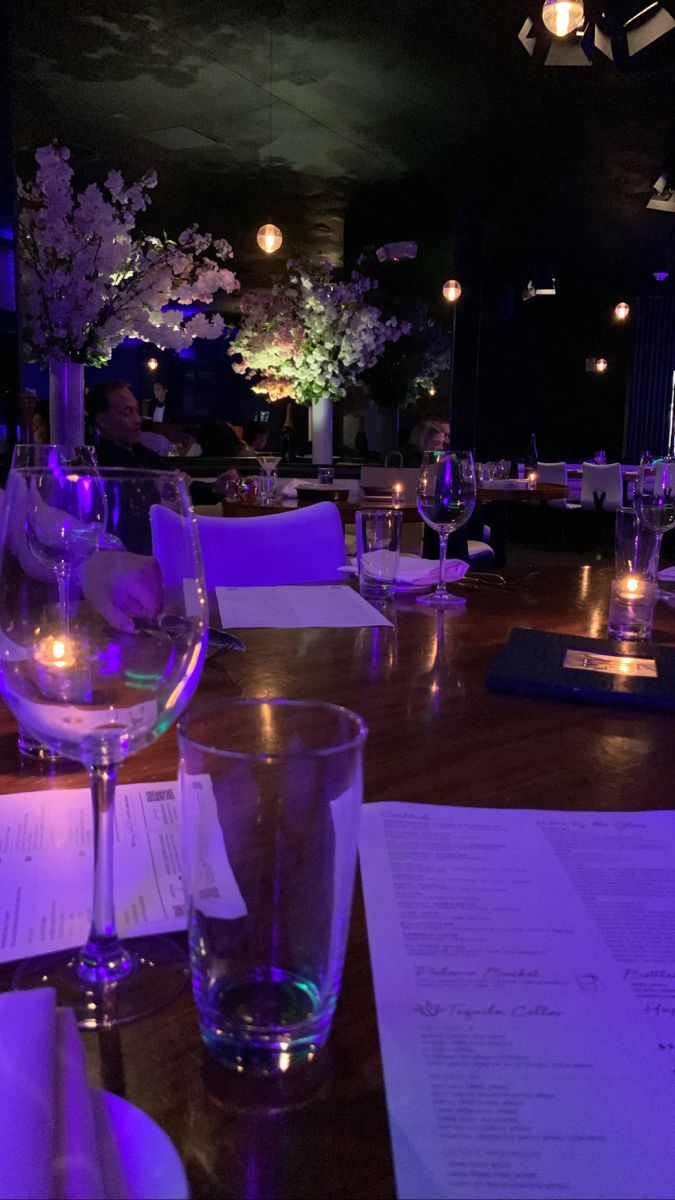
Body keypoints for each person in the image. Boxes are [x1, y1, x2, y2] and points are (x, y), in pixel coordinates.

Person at [87, 380, 237, 504]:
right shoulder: (96, 466)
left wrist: (216, 488)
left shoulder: (143, 454)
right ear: (102, 420)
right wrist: (160, 492)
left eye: (136, 411)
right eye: (126, 412)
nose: (138, 420)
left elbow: (181, 485)